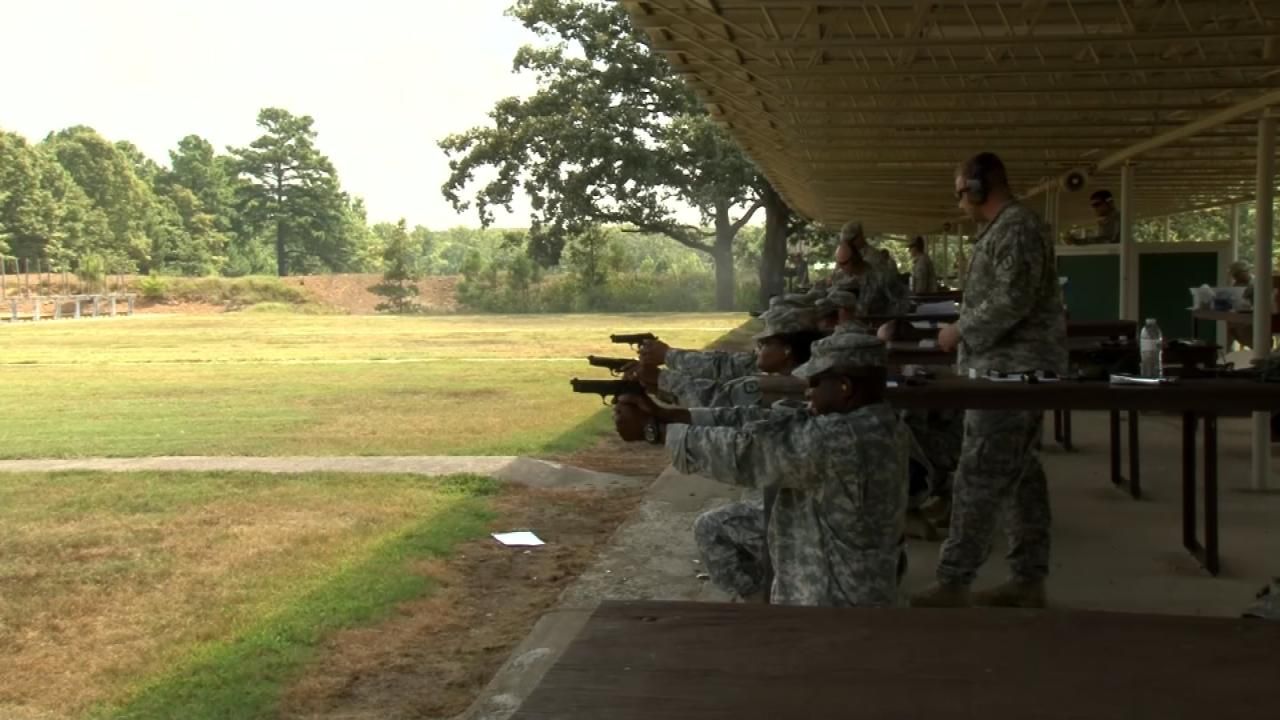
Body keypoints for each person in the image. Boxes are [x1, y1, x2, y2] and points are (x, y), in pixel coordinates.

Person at [612, 331, 910, 607]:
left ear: (845, 387)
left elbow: (746, 453)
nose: (808, 392)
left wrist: (656, 431)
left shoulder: (838, 439)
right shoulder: (876, 421)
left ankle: (759, 611)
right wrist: (670, 415)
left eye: (816, 383)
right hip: (856, 590)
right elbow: (766, 423)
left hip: (831, 606)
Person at [912, 151, 1068, 609]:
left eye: (961, 191)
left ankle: (954, 581)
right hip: (1010, 370)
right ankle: (1027, 578)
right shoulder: (1005, 229)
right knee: (1021, 476)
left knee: (978, 474)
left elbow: (1012, 298)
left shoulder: (1016, 228)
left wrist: (960, 330)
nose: (960, 201)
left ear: (978, 188)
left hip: (1012, 372)